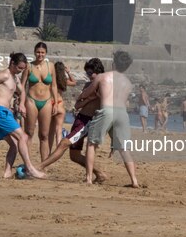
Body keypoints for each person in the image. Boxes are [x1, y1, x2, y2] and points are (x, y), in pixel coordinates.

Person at [36, 58, 108, 182]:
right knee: (74, 156)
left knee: (64, 143)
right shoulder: (88, 85)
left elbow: (105, 105)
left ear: (98, 72)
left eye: (91, 73)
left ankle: (38, 167)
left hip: (88, 121)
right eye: (87, 73)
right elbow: (77, 105)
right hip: (80, 119)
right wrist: (89, 99)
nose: (89, 76)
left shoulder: (103, 85)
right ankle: (100, 174)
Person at [82, 51, 139, 187]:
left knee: (92, 143)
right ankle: (134, 180)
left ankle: (88, 178)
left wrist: (81, 98)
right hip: (122, 113)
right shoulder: (128, 82)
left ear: (114, 63)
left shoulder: (103, 76)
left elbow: (88, 92)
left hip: (107, 110)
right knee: (124, 149)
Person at [49, 61, 76, 150]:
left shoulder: (50, 79)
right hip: (60, 104)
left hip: (51, 104)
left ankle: (48, 149)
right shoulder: (63, 80)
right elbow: (74, 82)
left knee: (50, 130)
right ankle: (58, 148)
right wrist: (68, 72)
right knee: (58, 129)